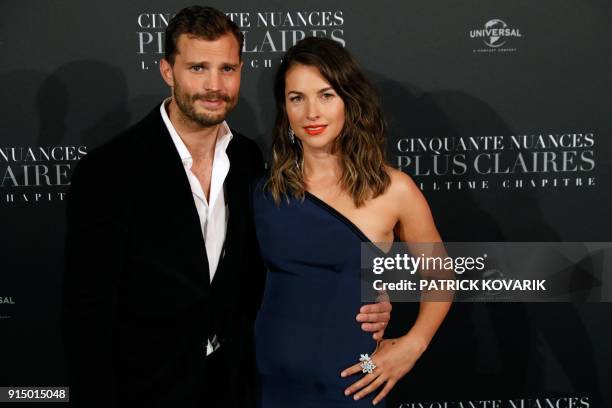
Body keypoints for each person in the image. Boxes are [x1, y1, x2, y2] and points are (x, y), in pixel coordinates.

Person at [61, 6, 391, 408]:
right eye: (198, 68)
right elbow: (86, 313)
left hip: (240, 384)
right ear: (168, 71)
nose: (214, 85)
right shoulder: (110, 170)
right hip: (145, 389)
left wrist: (375, 290)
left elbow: (285, 263)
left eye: (227, 69)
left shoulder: (249, 161)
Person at [252, 37, 451, 407]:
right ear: (285, 110)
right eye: (297, 98)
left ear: (348, 100)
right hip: (270, 382)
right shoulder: (264, 192)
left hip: (353, 380)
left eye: (326, 95)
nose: (312, 112)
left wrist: (413, 344)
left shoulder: (393, 189)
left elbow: (441, 276)